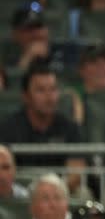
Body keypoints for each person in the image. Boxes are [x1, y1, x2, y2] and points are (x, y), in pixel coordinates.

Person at [0, 61, 86, 195]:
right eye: (41, 90)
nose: (49, 97)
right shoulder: (8, 128)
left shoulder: (69, 127)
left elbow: (76, 173)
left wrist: (49, 193)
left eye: (53, 89)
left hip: (60, 193)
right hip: (19, 193)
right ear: (26, 96)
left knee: (83, 194)